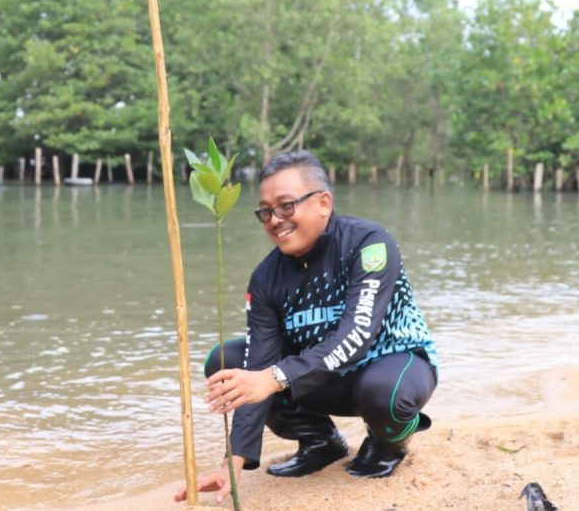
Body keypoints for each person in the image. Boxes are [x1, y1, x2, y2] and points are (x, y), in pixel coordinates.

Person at [175, 150, 438, 505]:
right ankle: (320, 442)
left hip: (389, 366)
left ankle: (387, 444)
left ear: (323, 203)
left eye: (285, 206)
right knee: (228, 361)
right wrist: (231, 464)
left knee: (382, 392)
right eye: (265, 211)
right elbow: (258, 364)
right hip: (316, 379)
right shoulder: (266, 278)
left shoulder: (369, 244)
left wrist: (273, 377)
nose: (274, 220)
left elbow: (355, 336)